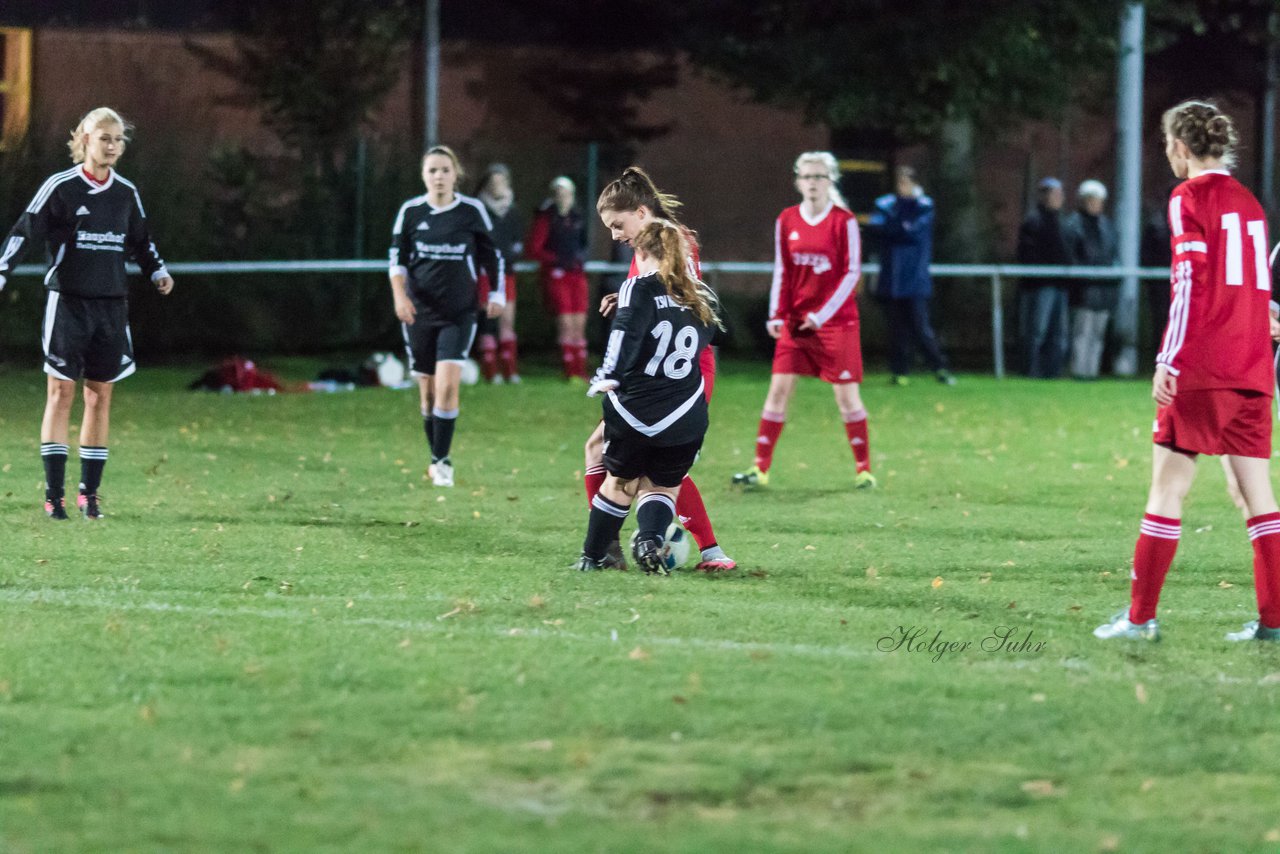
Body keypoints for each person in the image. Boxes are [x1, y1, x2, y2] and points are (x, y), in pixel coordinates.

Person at [1095, 100, 1280, 643]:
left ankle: (1139, 619)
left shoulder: (1188, 197)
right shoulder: (1249, 203)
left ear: (1179, 145)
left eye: (1165, 143)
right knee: (1258, 496)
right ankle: (1274, 622)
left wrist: (1167, 358)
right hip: (1252, 370)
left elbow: (1189, 281)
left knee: (1167, 490)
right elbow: (1252, 285)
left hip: (1203, 367)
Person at [0, 106, 174, 520]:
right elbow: (25, 230)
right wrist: (2, 270)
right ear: (84, 141)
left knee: (100, 397)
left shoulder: (126, 192)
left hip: (111, 307)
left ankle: (89, 495)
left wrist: (157, 270)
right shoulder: (61, 187)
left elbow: (141, 240)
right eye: (104, 138)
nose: (112, 146)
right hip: (68, 304)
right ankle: (54, 495)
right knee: (61, 394)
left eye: (118, 140)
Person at [590, 166, 736, 571]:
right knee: (647, 460)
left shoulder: (675, 243)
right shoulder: (651, 245)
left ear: (640, 212)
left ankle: (614, 548)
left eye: (618, 225)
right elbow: (659, 300)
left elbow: (683, 302)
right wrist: (624, 302)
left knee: (662, 463)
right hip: (656, 368)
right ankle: (617, 546)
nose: (616, 235)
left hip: (681, 371)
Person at [733, 151, 875, 490]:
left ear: (831, 181)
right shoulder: (787, 220)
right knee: (778, 390)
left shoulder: (844, 221)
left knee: (846, 397)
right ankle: (759, 469)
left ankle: (864, 470)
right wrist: (777, 313)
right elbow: (783, 269)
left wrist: (822, 314)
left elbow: (852, 272)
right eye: (808, 177)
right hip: (797, 322)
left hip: (836, 323)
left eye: (820, 177)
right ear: (798, 181)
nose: (813, 183)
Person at [389, 145, 504, 488]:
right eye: (432, 171)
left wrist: (496, 293)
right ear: (424, 176)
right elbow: (397, 261)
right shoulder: (410, 212)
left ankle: (442, 461)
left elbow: (492, 256)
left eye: (444, 170)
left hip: (460, 312)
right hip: (419, 313)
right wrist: (399, 296)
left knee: (448, 385)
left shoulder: (471, 211)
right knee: (426, 393)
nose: (438, 176)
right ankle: (435, 455)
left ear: (456, 174)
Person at [868, 166, 954, 386]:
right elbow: (876, 229)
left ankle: (940, 368)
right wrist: (895, 228)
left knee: (920, 328)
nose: (902, 186)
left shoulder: (923, 206)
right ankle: (900, 372)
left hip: (914, 279)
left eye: (906, 182)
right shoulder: (885, 204)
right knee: (896, 330)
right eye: (899, 182)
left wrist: (893, 227)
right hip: (892, 280)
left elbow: (910, 232)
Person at [527, 176, 589, 381]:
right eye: (559, 194)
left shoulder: (577, 218)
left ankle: (582, 370)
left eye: (567, 193)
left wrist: (578, 259)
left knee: (579, 323)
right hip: (557, 275)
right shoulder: (547, 218)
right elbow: (534, 249)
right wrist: (556, 260)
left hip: (576, 274)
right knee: (566, 322)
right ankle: (569, 370)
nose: (563, 198)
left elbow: (583, 245)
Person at [1016, 177, 1072, 378]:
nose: (1058, 198)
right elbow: (1027, 253)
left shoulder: (1062, 221)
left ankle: (1052, 373)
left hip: (1059, 284)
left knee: (1059, 333)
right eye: (1053, 194)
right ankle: (1031, 371)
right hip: (1041, 284)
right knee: (1037, 331)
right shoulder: (1034, 221)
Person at [472, 164, 523, 384]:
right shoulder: (478, 209)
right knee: (489, 320)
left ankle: (510, 370)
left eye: (501, 181)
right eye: (493, 181)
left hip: (507, 272)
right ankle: (491, 371)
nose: (496, 186)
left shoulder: (513, 211)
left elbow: (518, 240)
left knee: (507, 321)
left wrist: (513, 253)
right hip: (486, 273)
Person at [1064, 179, 1119, 379]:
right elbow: (1072, 256)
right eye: (1092, 200)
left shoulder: (1106, 226)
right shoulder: (1073, 225)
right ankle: (1079, 370)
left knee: (1097, 333)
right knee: (1082, 332)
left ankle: (1091, 371)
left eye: (1098, 200)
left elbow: (1112, 253)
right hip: (1083, 289)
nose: (1096, 204)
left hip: (1103, 289)